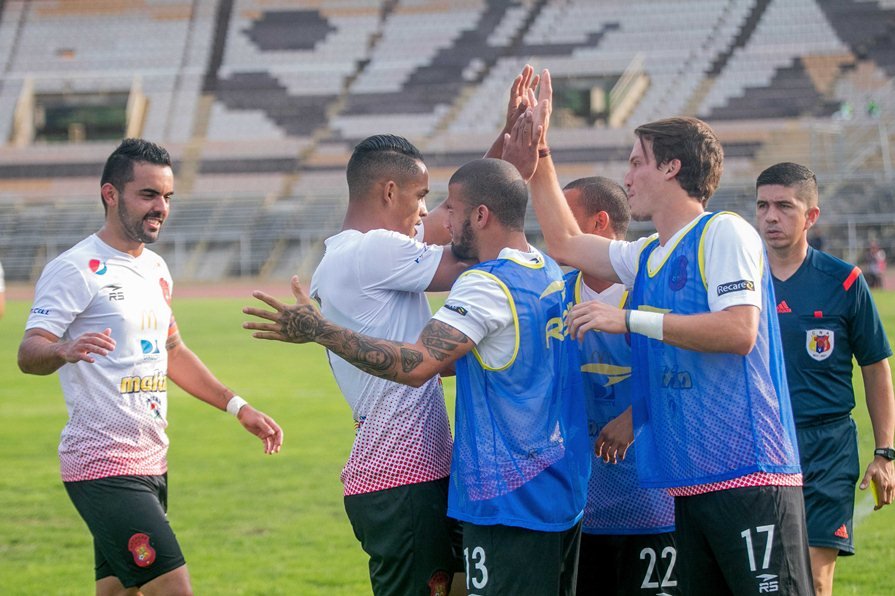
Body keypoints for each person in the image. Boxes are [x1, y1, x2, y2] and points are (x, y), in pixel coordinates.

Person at [513, 68, 813, 594]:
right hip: (690, 483)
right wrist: (540, 153)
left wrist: (630, 319)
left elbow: (739, 331)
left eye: (637, 162)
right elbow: (564, 242)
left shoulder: (723, 230)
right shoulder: (649, 253)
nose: (627, 176)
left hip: (749, 474)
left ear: (672, 167)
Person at [245, 158, 590, 596]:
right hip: (559, 484)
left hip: (503, 495)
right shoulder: (547, 271)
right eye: (428, 200)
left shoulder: (485, 284)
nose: (438, 219)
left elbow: (420, 365)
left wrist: (321, 331)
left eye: (450, 208)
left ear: (480, 215)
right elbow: (470, 358)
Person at [17, 138, 283, 596]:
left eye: (167, 196)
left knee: (119, 591)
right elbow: (29, 351)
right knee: (174, 589)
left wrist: (238, 406)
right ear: (110, 194)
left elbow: (173, 351)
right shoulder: (76, 268)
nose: (161, 207)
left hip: (152, 459)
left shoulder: (157, 268)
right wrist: (62, 349)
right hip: (102, 464)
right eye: (148, 195)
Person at [302, 134, 468, 595]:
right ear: (390, 192)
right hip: (403, 474)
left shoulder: (348, 254)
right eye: (421, 196)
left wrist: (508, 156)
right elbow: (472, 251)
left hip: (410, 469)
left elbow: (453, 220)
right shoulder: (375, 250)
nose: (425, 211)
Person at [755, 162, 895, 596]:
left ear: (811, 216)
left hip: (827, 448)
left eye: (784, 206)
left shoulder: (845, 281)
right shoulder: (741, 281)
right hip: (761, 444)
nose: (771, 217)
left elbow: (875, 367)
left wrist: (885, 452)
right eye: (762, 206)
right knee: (766, 579)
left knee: (814, 580)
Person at [561, 177, 678, 595]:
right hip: (578, 502)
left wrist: (635, 415)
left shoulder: (651, 291)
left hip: (650, 498)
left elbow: (685, 374)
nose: (553, 229)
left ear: (599, 222)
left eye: (565, 217)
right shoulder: (556, 295)